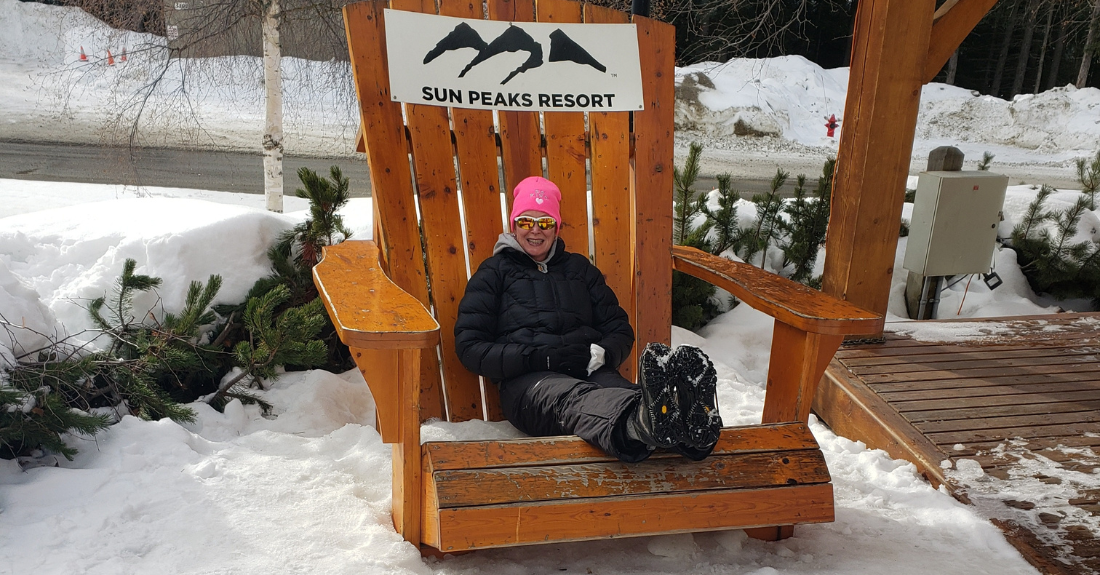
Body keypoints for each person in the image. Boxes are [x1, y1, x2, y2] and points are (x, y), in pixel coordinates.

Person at [454, 176, 722, 462]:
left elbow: (619, 328)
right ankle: (644, 423)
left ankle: (688, 432)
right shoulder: (494, 273)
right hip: (529, 386)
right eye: (525, 221)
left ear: (556, 227)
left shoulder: (580, 270)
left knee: (626, 393)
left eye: (544, 223)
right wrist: (534, 357)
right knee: (575, 399)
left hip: (590, 370)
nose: (535, 230)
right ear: (513, 225)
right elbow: (470, 346)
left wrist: (602, 352)